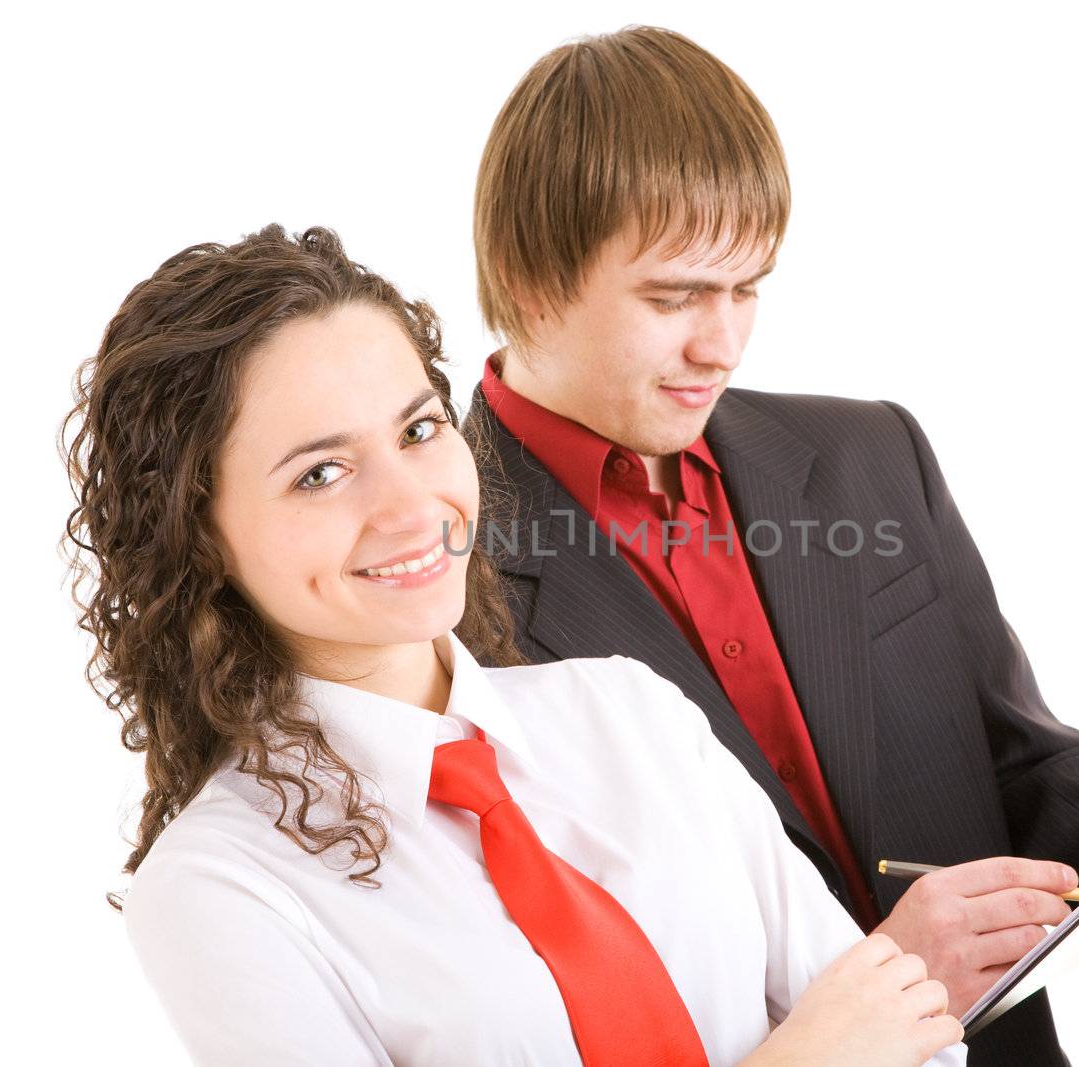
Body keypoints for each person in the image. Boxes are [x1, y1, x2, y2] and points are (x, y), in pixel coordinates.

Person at [464, 26, 1079, 1066]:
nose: (719, 342)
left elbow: (1015, 766)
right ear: (532, 280)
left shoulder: (865, 452)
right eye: (673, 297)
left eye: (748, 287)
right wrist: (868, 994)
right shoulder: (431, 578)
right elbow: (521, 996)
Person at [60, 223, 968, 1067]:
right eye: (320, 473)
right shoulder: (220, 889)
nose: (413, 505)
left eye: (419, 430)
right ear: (200, 535)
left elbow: (911, 1036)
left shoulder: (630, 710)